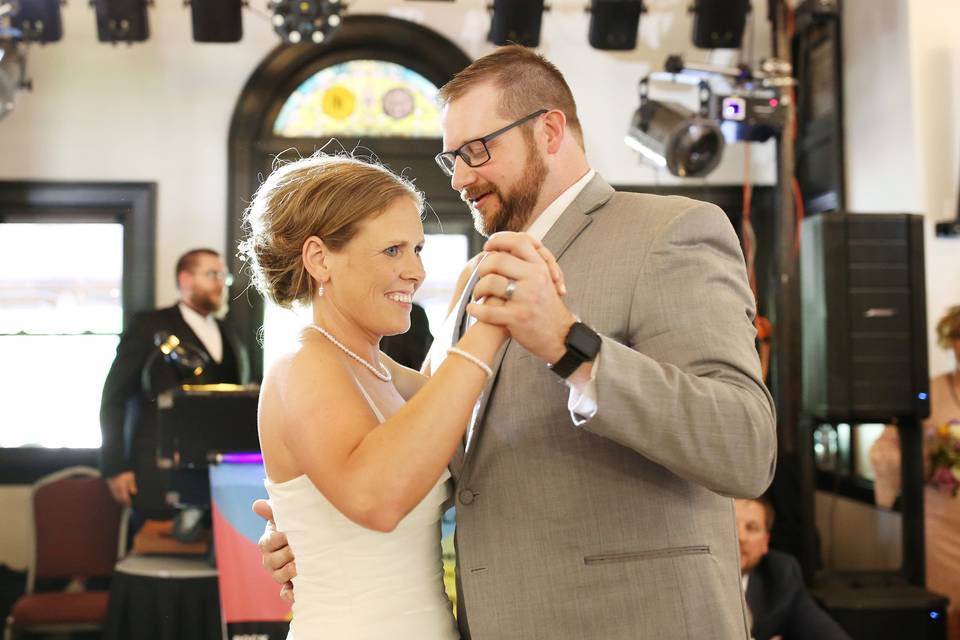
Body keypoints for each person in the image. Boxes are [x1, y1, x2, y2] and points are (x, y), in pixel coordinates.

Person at [258, 45, 777, 639]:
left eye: (478, 150)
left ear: (549, 131)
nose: (458, 177)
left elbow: (745, 446)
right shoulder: (475, 282)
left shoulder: (667, 233)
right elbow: (433, 456)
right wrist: (316, 528)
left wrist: (566, 343)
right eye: (450, 157)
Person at [239, 154, 564, 640]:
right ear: (319, 258)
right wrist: (489, 329)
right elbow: (377, 498)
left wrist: (470, 294)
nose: (415, 270)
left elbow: (451, 417)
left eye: (417, 249)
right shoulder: (301, 366)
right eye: (392, 250)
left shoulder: (378, 368)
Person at [99, 248, 250, 516]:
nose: (220, 283)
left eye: (223, 277)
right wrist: (115, 466)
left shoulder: (230, 332)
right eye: (211, 274)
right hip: (159, 473)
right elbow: (115, 396)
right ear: (185, 279)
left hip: (218, 476)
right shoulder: (150, 326)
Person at [870, 304, 960, 640]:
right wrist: (926, 464)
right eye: (959, 337)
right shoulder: (929, 393)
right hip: (939, 530)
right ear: (949, 342)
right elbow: (882, 451)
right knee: (943, 617)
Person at [735, 498, 851, 640]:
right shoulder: (700, 583)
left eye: (751, 528)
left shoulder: (780, 574)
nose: (740, 537)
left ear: (765, 542)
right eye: (730, 526)